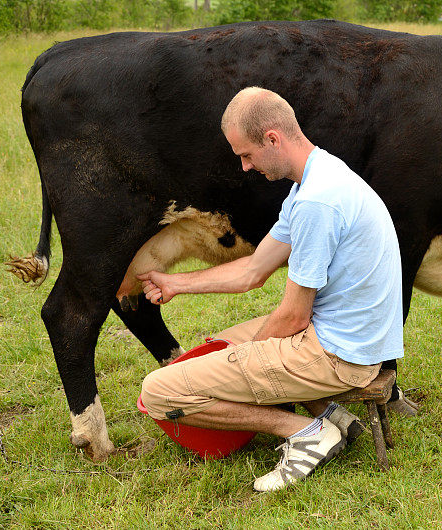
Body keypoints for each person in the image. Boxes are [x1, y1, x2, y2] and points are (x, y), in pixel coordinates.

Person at [138, 86, 404, 492]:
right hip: (346, 337)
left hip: (339, 355)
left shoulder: (318, 202)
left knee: (159, 392)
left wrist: (251, 359)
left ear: (273, 139)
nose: (245, 167)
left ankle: (305, 432)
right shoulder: (316, 178)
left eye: (246, 155)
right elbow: (254, 269)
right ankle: (334, 418)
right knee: (223, 346)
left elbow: (294, 316)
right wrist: (176, 283)